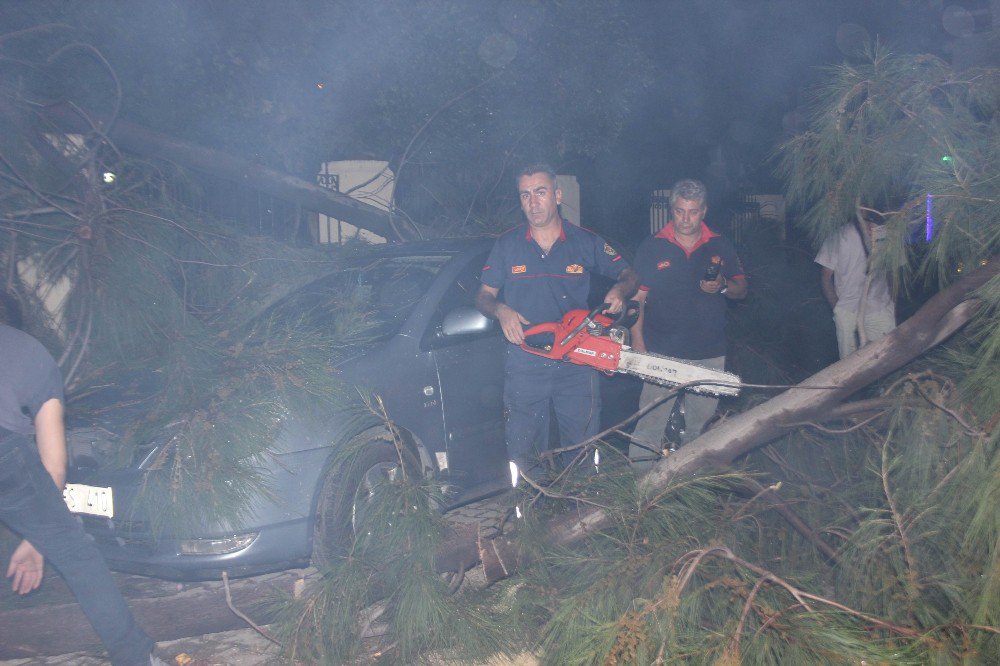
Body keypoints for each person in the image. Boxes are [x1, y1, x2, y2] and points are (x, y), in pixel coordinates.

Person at [0, 321, 165, 666]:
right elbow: (54, 467)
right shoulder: (29, 351)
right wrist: (39, 540)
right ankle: (135, 658)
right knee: (78, 555)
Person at [476, 163, 637, 480]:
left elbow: (630, 274)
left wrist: (620, 289)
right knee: (524, 452)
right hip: (525, 361)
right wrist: (500, 310)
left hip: (577, 360)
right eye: (525, 195)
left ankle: (582, 517)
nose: (533, 203)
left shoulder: (584, 242)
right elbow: (483, 296)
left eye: (540, 192)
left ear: (557, 195)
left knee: (581, 449)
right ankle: (530, 520)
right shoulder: (507, 246)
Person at [628, 179, 747, 469]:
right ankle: (639, 493)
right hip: (661, 349)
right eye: (680, 211)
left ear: (703, 211)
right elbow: (637, 299)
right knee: (649, 426)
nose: (685, 219)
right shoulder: (653, 246)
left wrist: (721, 285)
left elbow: (741, 289)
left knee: (698, 428)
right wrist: (638, 342)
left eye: (692, 212)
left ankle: (687, 487)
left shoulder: (719, 244)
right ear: (672, 210)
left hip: (709, 351)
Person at [815, 213, 896, 359]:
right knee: (848, 362)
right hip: (847, 308)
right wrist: (836, 307)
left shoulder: (886, 236)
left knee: (884, 357)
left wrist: (892, 300)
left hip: (879, 307)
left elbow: (894, 273)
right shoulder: (839, 236)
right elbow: (826, 276)